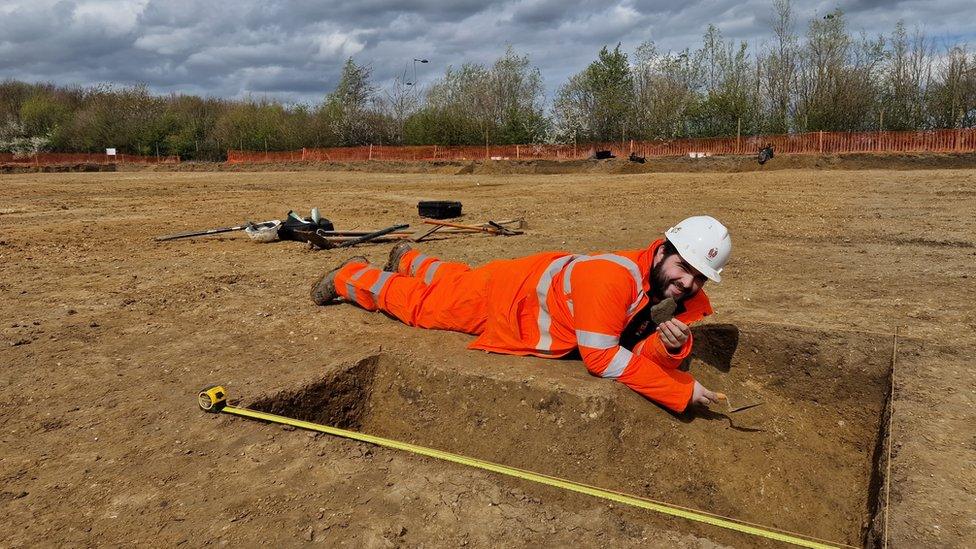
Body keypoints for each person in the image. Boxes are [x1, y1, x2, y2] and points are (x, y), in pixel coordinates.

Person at [311, 216, 731, 413]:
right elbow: (602, 358)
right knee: (424, 306)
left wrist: (668, 347)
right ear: (661, 250)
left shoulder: (657, 283)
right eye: (684, 268)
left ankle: (409, 257)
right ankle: (352, 276)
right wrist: (681, 389)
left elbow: (636, 346)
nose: (690, 284)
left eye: (700, 277)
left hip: (521, 285)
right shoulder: (612, 279)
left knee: (459, 281)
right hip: (508, 301)